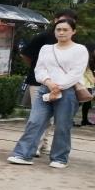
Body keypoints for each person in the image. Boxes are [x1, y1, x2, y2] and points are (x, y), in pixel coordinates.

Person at [8, 18, 89, 168]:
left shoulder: (80, 50)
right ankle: (22, 154)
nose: (61, 32)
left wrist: (59, 86)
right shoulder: (46, 48)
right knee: (35, 121)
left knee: (62, 125)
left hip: (68, 92)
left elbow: (76, 73)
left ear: (73, 31)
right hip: (45, 89)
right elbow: (39, 69)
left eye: (65, 29)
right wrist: (49, 83)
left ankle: (59, 158)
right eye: (58, 29)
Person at [20, 10, 78, 153]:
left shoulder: (74, 44)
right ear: (55, 21)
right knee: (38, 117)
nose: (62, 29)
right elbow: (26, 54)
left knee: (52, 119)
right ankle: (34, 146)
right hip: (39, 83)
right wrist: (37, 69)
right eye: (61, 22)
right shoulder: (43, 37)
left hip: (61, 86)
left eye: (69, 22)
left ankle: (43, 143)